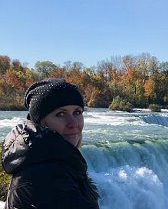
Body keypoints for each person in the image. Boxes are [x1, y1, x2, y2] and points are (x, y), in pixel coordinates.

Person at [1, 78, 100, 209]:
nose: (73, 123)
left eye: (77, 112)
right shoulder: (47, 176)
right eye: (60, 114)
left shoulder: (46, 160)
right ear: (39, 122)